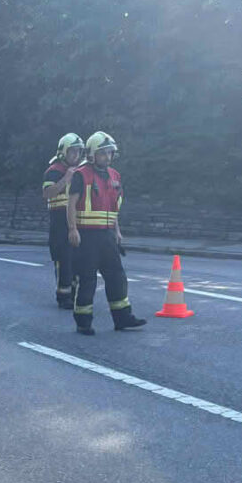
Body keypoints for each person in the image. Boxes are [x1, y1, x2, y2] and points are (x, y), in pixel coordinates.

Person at [66, 131, 146, 335]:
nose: (107, 158)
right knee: (87, 279)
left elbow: (113, 207)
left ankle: (123, 318)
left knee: (116, 277)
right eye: (103, 154)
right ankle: (83, 321)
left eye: (110, 154)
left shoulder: (114, 176)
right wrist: (73, 229)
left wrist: (117, 231)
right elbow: (71, 204)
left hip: (107, 236)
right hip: (86, 236)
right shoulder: (81, 174)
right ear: (92, 154)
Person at [42, 133, 84, 309]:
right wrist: (65, 179)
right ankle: (63, 296)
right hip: (59, 221)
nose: (75, 155)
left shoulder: (81, 171)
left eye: (78, 152)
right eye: (72, 152)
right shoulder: (53, 171)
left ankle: (75, 294)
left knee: (78, 260)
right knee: (63, 259)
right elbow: (47, 193)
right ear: (63, 152)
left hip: (77, 220)